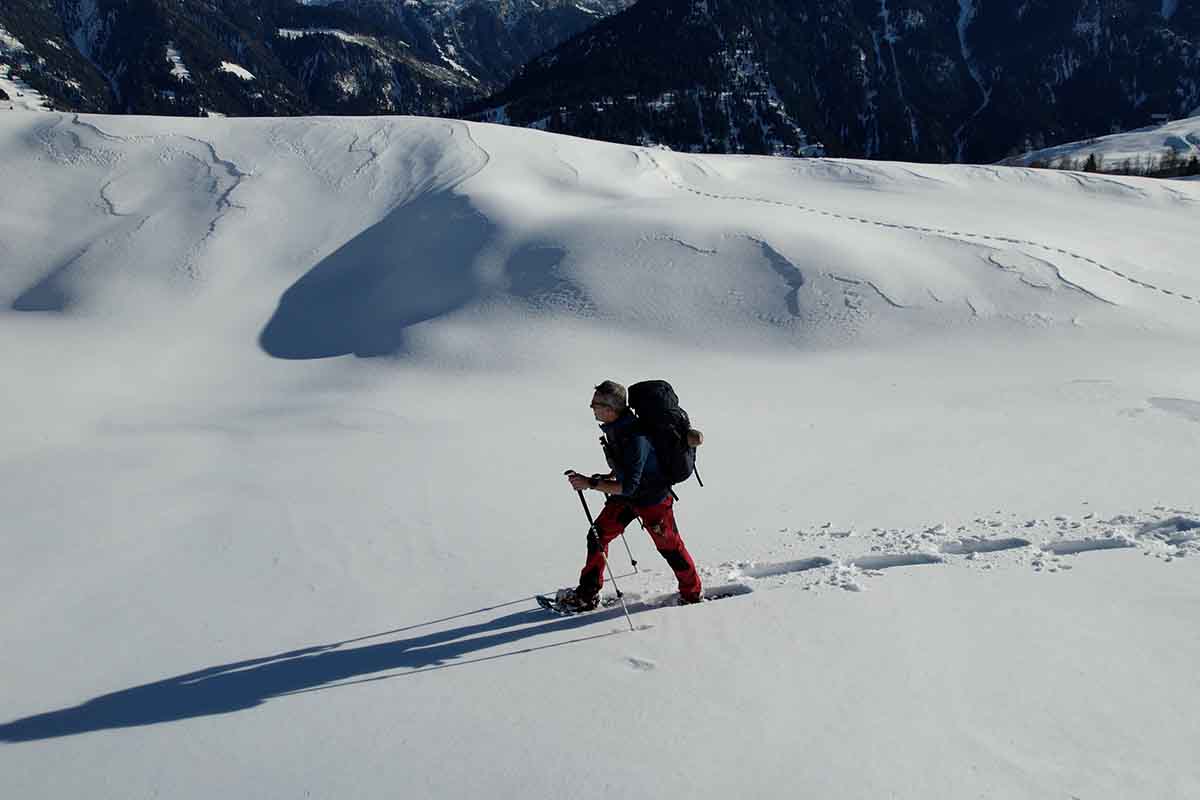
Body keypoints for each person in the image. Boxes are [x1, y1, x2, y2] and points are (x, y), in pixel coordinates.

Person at [562, 380, 702, 610]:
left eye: (595, 404)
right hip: (631, 497)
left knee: (671, 549)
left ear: (610, 409)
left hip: (652, 501)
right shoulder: (618, 429)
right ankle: (587, 594)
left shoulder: (635, 437)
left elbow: (629, 486)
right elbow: (631, 471)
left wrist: (590, 483)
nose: (591, 407)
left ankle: (692, 594)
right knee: (597, 535)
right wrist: (606, 477)